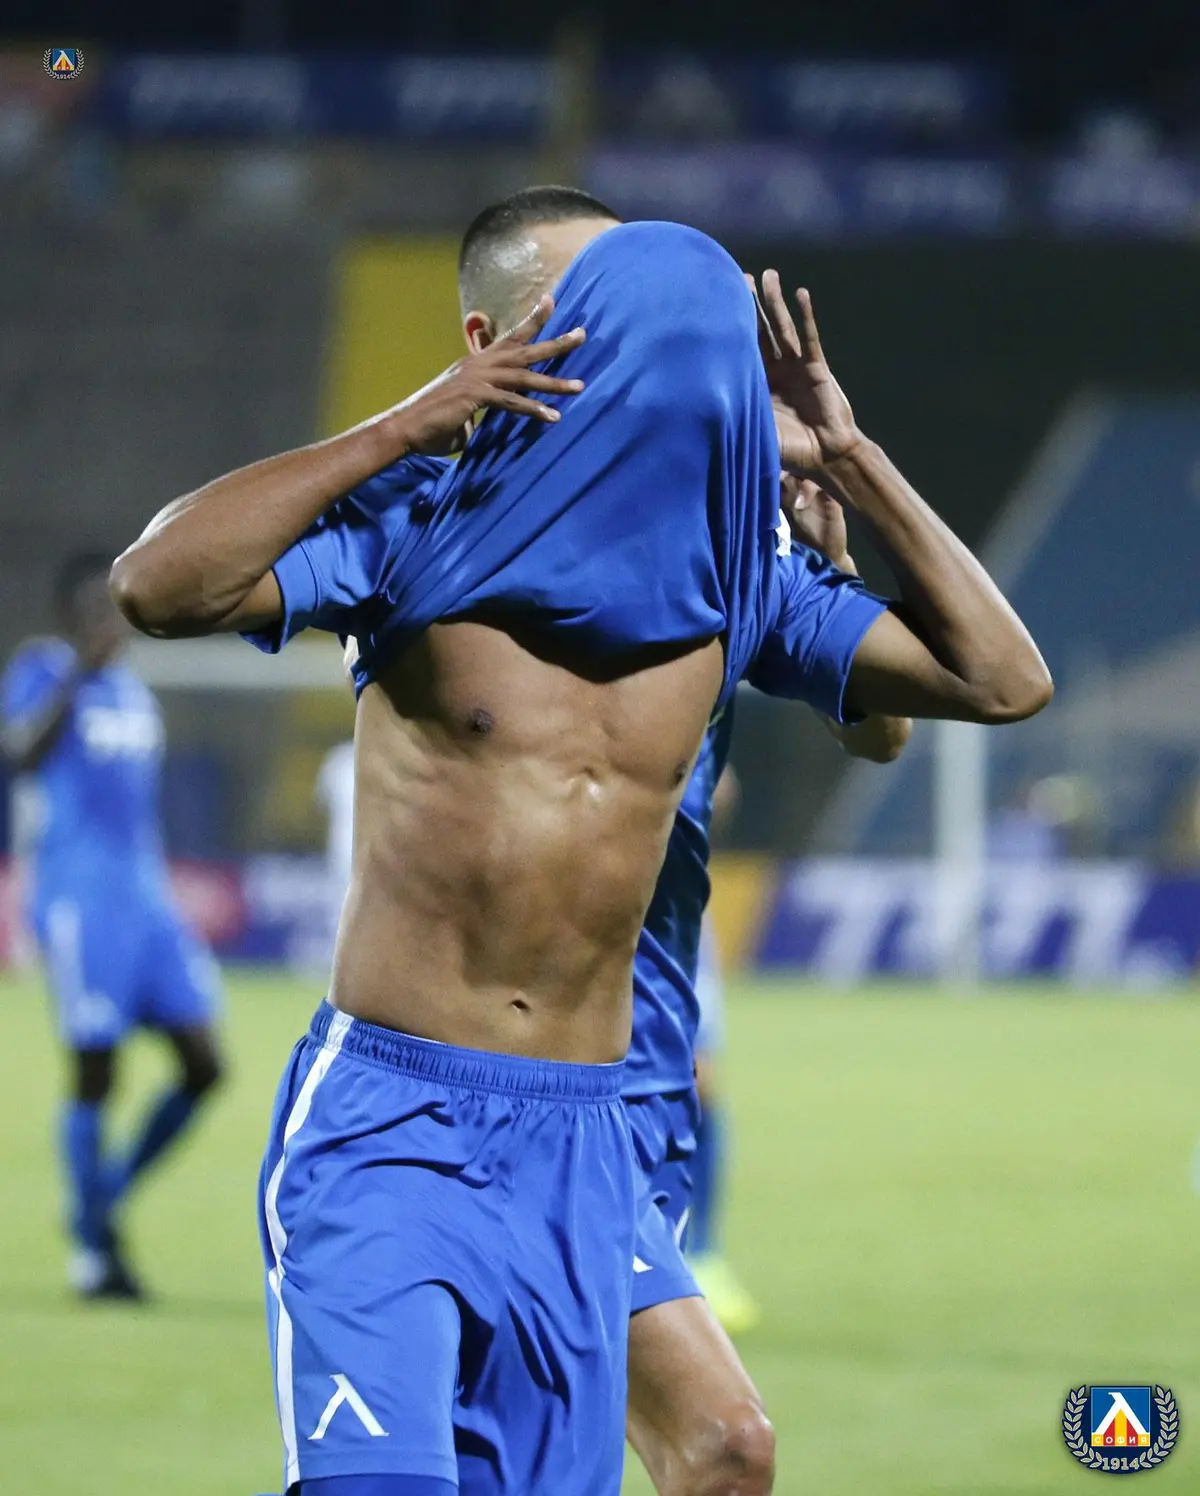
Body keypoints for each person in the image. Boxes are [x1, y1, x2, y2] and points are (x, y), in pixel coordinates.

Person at [110, 187, 1051, 1496]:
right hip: (397, 1118)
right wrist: (409, 420)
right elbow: (155, 587)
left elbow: (1002, 681)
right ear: (497, 342)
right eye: (579, 320)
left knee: (725, 1450)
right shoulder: (417, 521)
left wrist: (851, 458)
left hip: (588, 1133)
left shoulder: (731, 568)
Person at [0, 555, 224, 1300]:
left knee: (205, 1065)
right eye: (96, 607)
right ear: (71, 614)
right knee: (97, 1069)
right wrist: (78, 674)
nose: (110, 620)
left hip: (146, 902)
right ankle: (93, 1255)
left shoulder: (135, 693)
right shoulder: (44, 671)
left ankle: (101, 1202)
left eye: (116, 607)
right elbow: (21, 757)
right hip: (80, 901)